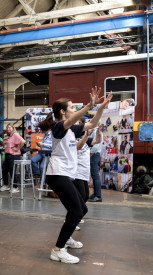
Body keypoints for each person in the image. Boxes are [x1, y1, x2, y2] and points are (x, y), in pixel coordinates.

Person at [40, 86, 112, 264]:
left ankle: (66, 238)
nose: (74, 110)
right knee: (76, 211)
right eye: (72, 107)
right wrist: (89, 106)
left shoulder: (73, 129)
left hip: (65, 175)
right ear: (63, 112)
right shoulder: (58, 126)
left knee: (81, 209)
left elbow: (93, 124)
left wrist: (101, 107)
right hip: (57, 174)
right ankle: (58, 249)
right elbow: (71, 120)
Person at [0, 124, 25, 193]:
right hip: (7, 154)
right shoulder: (8, 136)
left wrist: (17, 148)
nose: (8, 129)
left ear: (13, 128)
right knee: (4, 169)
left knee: (12, 170)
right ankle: (6, 185)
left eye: (9, 127)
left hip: (14, 155)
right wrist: (3, 140)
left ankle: (15, 187)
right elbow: (4, 146)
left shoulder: (15, 135)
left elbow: (23, 141)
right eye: (7, 127)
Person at [88, 124, 103, 202]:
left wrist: (89, 154)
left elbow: (95, 146)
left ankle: (98, 195)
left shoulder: (96, 131)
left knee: (95, 175)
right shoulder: (95, 131)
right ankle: (95, 194)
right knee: (94, 175)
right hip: (95, 154)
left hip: (94, 155)